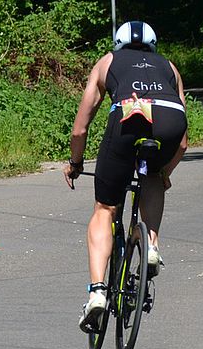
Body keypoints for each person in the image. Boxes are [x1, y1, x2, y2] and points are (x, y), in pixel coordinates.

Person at [64, 20, 188, 333]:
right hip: (171, 121)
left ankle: (97, 293)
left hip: (129, 117)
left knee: (105, 209)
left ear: (118, 44)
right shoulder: (170, 68)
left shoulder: (107, 62)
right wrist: (165, 172)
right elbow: (184, 142)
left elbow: (80, 128)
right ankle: (151, 244)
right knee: (151, 174)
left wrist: (75, 163)